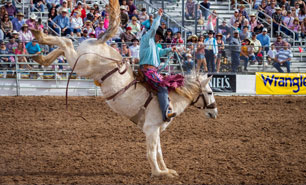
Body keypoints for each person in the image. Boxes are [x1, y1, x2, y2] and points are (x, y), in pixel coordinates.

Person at [139, 8, 179, 122]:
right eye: (160, 37)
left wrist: (171, 49)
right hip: (147, 71)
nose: (160, 39)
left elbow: (160, 52)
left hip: (153, 71)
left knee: (167, 85)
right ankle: (166, 113)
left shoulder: (155, 45)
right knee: (162, 86)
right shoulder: (147, 39)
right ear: (156, 35)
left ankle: (165, 108)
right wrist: (159, 16)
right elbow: (153, 28)